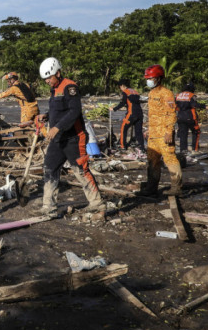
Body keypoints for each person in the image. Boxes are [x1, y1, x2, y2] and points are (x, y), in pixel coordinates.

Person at [36, 57, 104, 218]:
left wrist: (57, 126)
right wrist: (46, 116)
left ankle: (96, 203)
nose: (47, 81)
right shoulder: (54, 89)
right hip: (58, 139)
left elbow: (74, 111)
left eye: (49, 77)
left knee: (80, 170)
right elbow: (59, 111)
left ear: (58, 73)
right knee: (50, 168)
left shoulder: (70, 87)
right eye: (45, 78)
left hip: (74, 138)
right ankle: (49, 206)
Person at [138, 64, 182, 196]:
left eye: (151, 78)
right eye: (148, 78)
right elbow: (153, 114)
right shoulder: (151, 93)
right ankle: (151, 188)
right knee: (152, 160)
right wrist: (148, 130)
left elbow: (171, 113)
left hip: (164, 134)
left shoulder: (166, 93)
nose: (149, 80)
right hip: (153, 134)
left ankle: (176, 187)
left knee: (170, 159)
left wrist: (169, 131)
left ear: (158, 78)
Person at [109, 78, 144, 151]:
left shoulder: (125, 92)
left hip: (132, 114)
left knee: (123, 128)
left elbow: (123, 103)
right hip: (140, 114)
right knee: (139, 131)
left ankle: (123, 146)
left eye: (120, 87)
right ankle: (142, 148)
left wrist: (114, 109)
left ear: (122, 86)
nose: (120, 88)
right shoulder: (135, 91)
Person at [175, 82, 208, 154]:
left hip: (180, 117)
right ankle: (194, 149)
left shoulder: (178, 95)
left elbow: (175, 106)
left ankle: (183, 151)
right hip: (190, 117)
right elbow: (194, 104)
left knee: (183, 134)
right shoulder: (191, 95)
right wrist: (205, 106)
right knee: (196, 132)